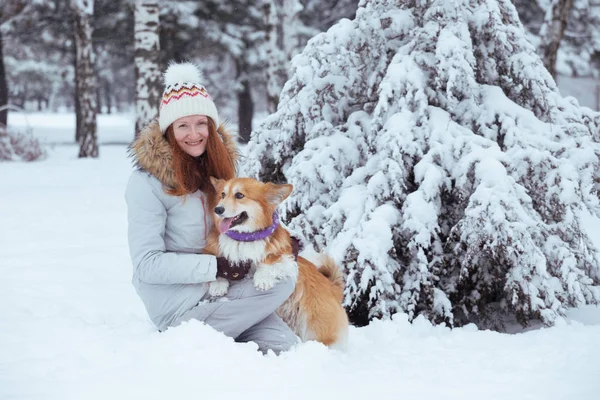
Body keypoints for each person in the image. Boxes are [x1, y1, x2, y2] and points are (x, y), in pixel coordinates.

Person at [125, 61, 298, 354]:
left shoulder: (223, 171)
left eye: (201, 123)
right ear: (169, 131)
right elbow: (146, 265)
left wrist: (277, 242)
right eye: (182, 125)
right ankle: (185, 341)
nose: (194, 134)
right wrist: (215, 266)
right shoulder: (147, 183)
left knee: (285, 347)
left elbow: (250, 216)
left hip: (227, 290)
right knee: (282, 286)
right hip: (178, 301)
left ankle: (219, 339)